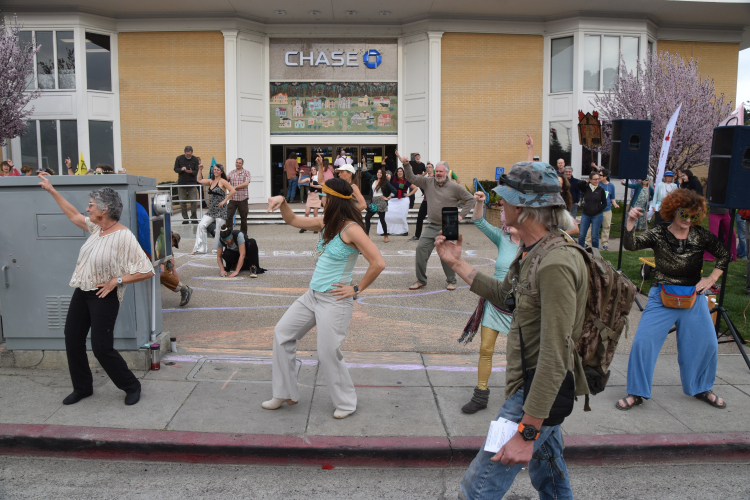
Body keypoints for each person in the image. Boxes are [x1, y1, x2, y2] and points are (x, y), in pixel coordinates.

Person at [434, 161, 587, 500]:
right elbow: (506, 296)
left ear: (524, 207)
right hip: (532, 387)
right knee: (550, 476)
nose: (499, 202)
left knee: (477, 489)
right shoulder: (534, 250)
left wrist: (527, 431)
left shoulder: (556, 262)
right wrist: (456, 262)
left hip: (534, 393)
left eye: (505, 198)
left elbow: (555, 353)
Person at [262, 179, 385, 419]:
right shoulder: (326, 222)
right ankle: (284, 392)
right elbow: (292, 220)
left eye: (323, 196)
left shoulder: (352, 229)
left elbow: (378, 263)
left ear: (333, 199)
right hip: (312, 296)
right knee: (282, 333)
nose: (320, 200)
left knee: (328, 352)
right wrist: (283, 201)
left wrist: (356, 288)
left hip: (334, 300)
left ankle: (346, 403)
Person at [37, 175, 154, 406]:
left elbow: (147, 270)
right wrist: (52, 190)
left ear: (104, 209)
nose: (87, 208)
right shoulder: (96, 228)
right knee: (72, 338)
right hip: (82, 291)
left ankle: (132, 385)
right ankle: (82, 387)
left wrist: (116, 281)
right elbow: (73, 215)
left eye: (91, 205)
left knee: (101, 348)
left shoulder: (123, 236)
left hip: (104, 295)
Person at [617, 189, 729, 412]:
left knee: (707, 343)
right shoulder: (659, 233)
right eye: (683, 214)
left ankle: (702, 388)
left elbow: (724, 254)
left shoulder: (700, 235)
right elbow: (631, 245)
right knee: (643, 343)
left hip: (694, 297)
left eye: (693, 215)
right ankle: (637, 392)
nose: (688, 220)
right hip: (662, 296)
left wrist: (711, 279)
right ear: (672, 211)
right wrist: (630, 221)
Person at [459, 189, 519, 414]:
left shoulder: (535, 243)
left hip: (521, 307)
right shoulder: (502, 237)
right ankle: (480, 395)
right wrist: (480, 202)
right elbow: (479, 221)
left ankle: (518, 395)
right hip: (494, 301)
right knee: (486, 349)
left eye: (507, 212)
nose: (504, 218)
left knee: (518, 355)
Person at [396, 152, 475, 291]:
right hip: (432, 225)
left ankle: (451, 281)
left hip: (448, 225)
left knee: (447, 255)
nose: (438, 173)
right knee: (420, 249)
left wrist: (461, 216)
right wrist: (406, 164)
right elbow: (411, 178)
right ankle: (421, 280)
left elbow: (470, 199)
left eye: (441, 171)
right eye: (437, 171)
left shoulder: (455, 187)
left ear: (447, 172)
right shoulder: (428, 182)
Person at [191, 163, 235, 255]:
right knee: (201, 225)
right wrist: (200, 169)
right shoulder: (211, 181)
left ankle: (217, 249)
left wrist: (225, 201)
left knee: (219, 229)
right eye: (214, 169)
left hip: (220, 209)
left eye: (218, 170)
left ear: (221, 171)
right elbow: (199, 180)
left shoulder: (223, 181)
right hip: (211, 210)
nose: (215, 171)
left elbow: (233, 190)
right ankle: (200, 248)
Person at [585, 168, 618, 250]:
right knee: (592, 226)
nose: (598, 177)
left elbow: (612, 198)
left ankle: (605, 244)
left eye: (600, 175)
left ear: (605, 177)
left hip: (607, 210)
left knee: (606, 227)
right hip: (595, 210)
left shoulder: (611, 186)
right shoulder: (596, 184)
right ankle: (587, 242)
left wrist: (615, 204)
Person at [381, 166, 417, 237]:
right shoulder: (392, 178)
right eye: (398, 171)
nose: (400, 172)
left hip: (403, 200)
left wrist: (409, 194)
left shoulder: (406, 181)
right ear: (396, 173)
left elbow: (415, 188)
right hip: (392, 199)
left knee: (401, 216)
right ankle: (387, 230)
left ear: (403, 173)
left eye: (401, 171)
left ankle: (404, 230)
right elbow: (384, 175)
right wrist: (385, 171)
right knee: (387, 215)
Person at [159, 232, 193, 307]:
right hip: (158, 254)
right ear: (173, 239)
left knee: (161, 272)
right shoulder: (165, 238)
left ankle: (184, 289)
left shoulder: (167, 240)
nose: (173, 245)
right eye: (174, 244)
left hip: (159, 256)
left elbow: (172, 261)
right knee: (161, 271)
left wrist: (173, 270)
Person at [577, 171, 607, 249]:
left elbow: (604, 203)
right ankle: (581, 251)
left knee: (594, 236)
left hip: (597, 215)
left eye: (598, 179)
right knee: (581, 235)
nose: (597, 181)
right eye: (595, 179)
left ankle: (595, 253)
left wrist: (598, 209)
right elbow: (579, 184)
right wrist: (586, 182)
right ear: (590, 180)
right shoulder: (586, 188)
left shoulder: (601, 189)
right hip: (586, 214)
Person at [365, 167, 395, 243]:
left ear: (383, 174)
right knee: (367, 217)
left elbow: (394, 190)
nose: (379, 174)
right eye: (378, 172)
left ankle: (386, 235)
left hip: (381, 201)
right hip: (374, 201)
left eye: (381, 173)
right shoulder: (373, 180)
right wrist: (364, 163)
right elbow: (365, 172)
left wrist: (388, 198)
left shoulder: (385, 182)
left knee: (382, 219)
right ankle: (367, 235)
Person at [173, 146, 200, 224]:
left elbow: (197, 170)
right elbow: (175, 169)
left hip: (192, 183)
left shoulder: (195, 159)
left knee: (194, 201)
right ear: (184, 152)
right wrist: (181, 169)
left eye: (189, 154)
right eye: (187, 154)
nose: (188, 155)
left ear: (192, 153)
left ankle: (194, 218)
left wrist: (191, 172)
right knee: (182, 202)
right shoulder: (179, 158)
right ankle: (185, 218)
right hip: (182, 183)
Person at [226, 158, 250, 236]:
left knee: (243, 217)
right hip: (233, 198)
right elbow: (225, 181)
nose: (238, 164)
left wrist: (235, 187)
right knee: (228, 216)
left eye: (239, 163)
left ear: (242, 164)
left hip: (242, 198)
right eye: (237, 162)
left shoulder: (246, 172)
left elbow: (246, 183)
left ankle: (243, 235)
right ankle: (229, 234)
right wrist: (226, 179)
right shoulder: (231, 172)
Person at [411, 162, 434, 241]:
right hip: (426, 201)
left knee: (435, 219)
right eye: (427, 167)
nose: (428, 168)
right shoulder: (425, 179)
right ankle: (417, 235)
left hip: (434, 202)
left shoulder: (435, 178)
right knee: (420, 218)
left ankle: (437, 235)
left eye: (430, 167)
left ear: (433, 169)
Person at [299, 165, 323, 234]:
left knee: (315, 213)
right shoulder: (309, 179)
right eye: (312, 170)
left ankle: (316, 227)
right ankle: (304, 227)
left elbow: (322, 186)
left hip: (317, 196)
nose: (313, 171)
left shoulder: (320, 178)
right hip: (310, 196)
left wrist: (313, 186)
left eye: (314, 169)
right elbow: (300, 181)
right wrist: (300, 174)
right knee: (307, 212)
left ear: (316, 170)